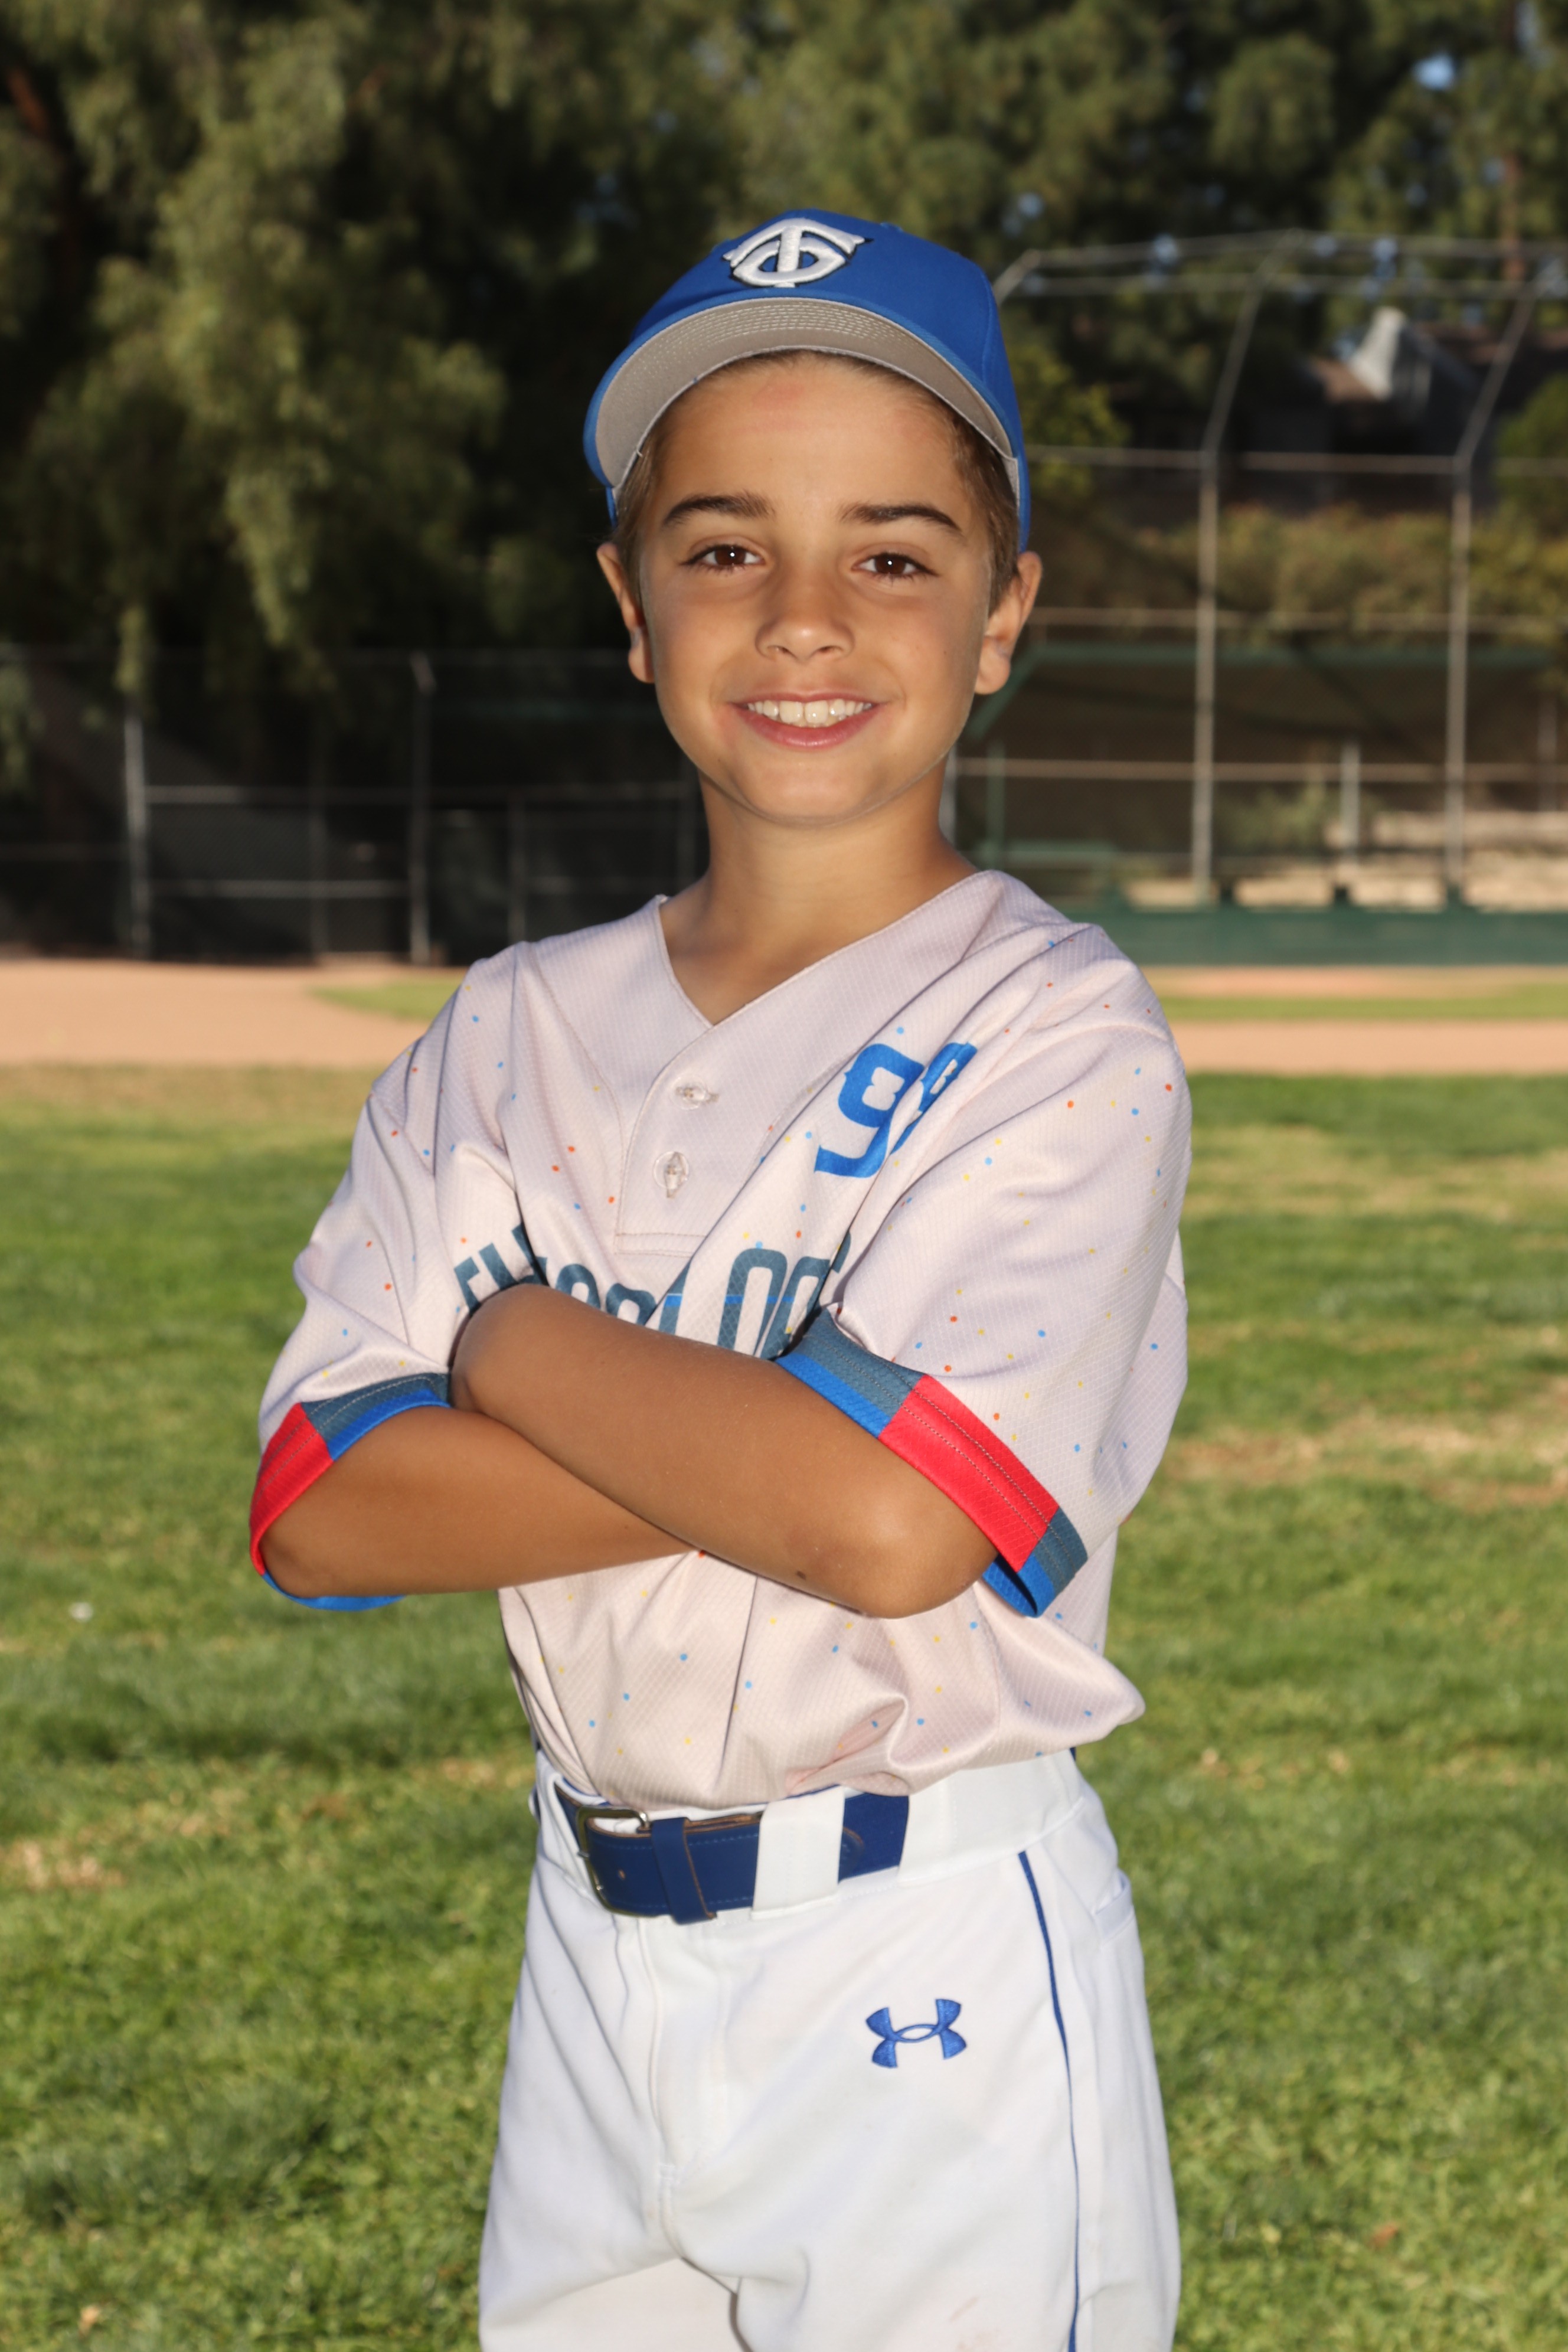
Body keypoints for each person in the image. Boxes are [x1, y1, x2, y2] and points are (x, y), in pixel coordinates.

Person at [253, 211, 1190, 2352]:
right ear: (631, 601)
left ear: (1005, 610)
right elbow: (323, 1506)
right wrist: (768, 1431)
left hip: (925, 1955)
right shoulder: (503, 1035)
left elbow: (893, 1522)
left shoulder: (1056, 1029)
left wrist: (506, 1340)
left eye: (894, 554)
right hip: (593, 1948)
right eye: (723, 545)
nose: (803, 619)